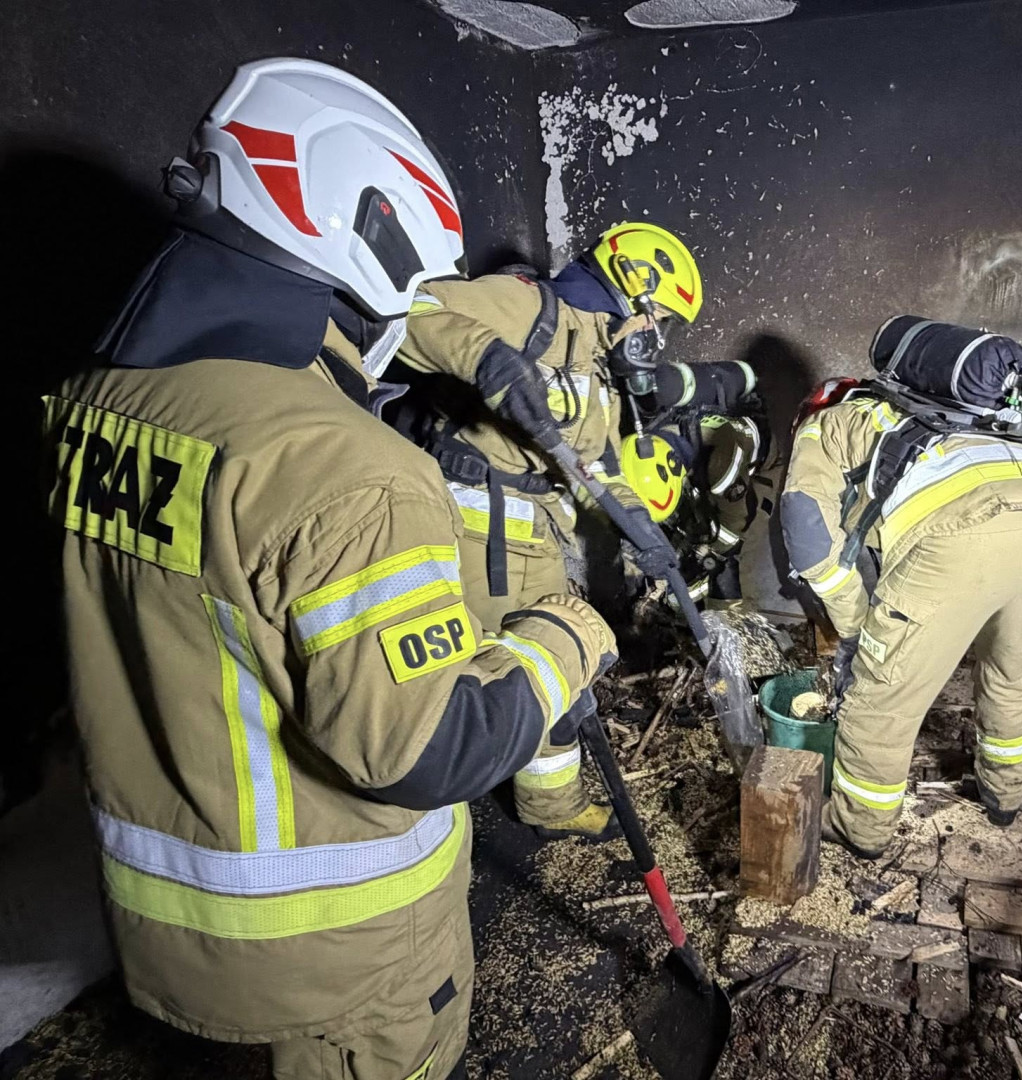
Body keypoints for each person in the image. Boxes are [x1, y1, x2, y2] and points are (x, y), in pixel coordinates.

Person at [42, 58, 614, 1080]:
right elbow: (430, 747)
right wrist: (573, 636)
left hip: (172, 939)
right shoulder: (346, 470)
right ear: (369, 237)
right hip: (339, 973)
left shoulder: (93, 403)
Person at [388, 223, 701, 840]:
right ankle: (467, 810)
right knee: (526, 664)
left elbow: (600, 468)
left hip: (538, 528)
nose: (656, 338)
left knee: (556, 660)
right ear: (630, 292)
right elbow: (409, 314)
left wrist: (643, 530)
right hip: (484, 525)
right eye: (659, 318)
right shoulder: (529, 306)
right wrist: (485, 357)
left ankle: (548, 804)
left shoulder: (595, 370)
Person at [781, 318, 1022, 858]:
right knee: (1008, 660)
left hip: (960, 539)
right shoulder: (955, 414)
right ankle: (1005, 793)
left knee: (881, 692)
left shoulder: (832, 423)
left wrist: (852, 622)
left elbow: (806, 525)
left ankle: (861, 826)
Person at [621, 359, 776, 610]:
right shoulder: (640, 443)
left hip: (757, 460)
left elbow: (736, 524)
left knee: (734, 555)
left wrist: (709, 552)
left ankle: (734, 619)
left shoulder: (721, 465)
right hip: (699, 457)